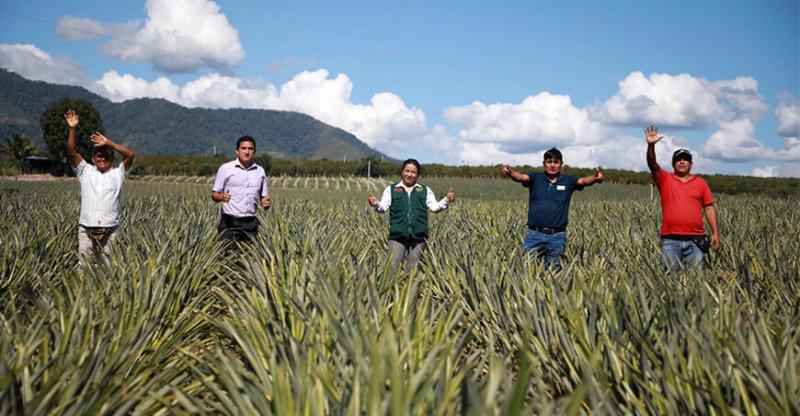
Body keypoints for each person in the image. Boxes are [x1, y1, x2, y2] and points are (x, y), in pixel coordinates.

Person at [502, 148, 603, 269]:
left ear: (561, 164)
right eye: (549, 162)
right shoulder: (535, 178)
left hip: (557, 236)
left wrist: (595, 178)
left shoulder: (568, 181)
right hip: (534, 234)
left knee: (554, 271)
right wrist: (510, 173)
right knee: (526, 269)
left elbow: (583, 181)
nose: (552, 165)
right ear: (544, 163)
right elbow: (522, 177)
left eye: (556, 162)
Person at [64, 109, 135, 264]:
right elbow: (71, 152)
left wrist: (109, 143)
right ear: (93, 159)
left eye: (106, 156)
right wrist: (72, 129)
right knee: (84, 268)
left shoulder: (118, 174)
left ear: (112, 159)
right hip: (86, 230)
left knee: (109, 269)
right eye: (99, 155)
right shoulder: (85, 171)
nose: (102, 158)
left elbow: (130, 155)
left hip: (111, 231)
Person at [645, 125, 720, 270]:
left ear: (691, 164)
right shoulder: (665, 179)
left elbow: (709, 208)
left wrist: (715, 233)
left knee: (697, 279)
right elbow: (652, 164)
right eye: (678, 159)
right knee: (669, 278)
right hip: (670, 240)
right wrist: (651, 146)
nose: (682, 161)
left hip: (696, 240)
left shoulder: (701, 183)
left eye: (686, 159)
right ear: (673, 164)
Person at [368, 159, 455, 271]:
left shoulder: (424, 190)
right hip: (397, 236)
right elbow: (383, 208)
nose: (409, 174)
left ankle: (412, 283)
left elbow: (435, 207)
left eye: (413, 172)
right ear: (402, 172)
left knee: (413, 269)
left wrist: (446, 200)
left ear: (418, 174)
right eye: (407, 171)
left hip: (418, 237)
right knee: (393, 266)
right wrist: (376, 204)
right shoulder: (391, 190)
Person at [211, 136, 270, 244]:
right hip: (230, 222)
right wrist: (221, 197)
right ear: (237, 151)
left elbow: (264, 198)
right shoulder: (226, 169)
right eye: (243, 148)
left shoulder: (260, 171)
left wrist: (266, 203)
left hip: (251, 223)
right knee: (226, 252)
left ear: (254, 151)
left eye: (250, 149)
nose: (247, 152)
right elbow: (214, 194)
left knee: (250, 254)